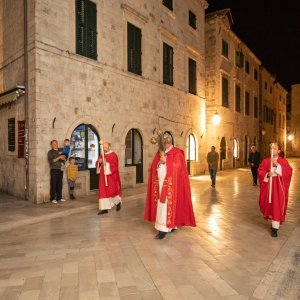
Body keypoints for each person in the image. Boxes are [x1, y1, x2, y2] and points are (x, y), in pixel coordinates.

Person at [144, 139, 196, 239]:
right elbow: (154, 165)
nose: (164, 146)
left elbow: (179, 167)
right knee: (162, 205)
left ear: (170, 143)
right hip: (160, 183)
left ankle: (162, 230)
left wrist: (166, 161)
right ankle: (170, 226)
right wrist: (160, 162)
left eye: (165, 144)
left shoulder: (177, 152)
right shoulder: (159, 152)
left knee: (166, 206)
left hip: (171, 185)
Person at [258, 143, 292, 237]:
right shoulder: (266, 161)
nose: (272, 150)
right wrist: (267, 174)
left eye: (275, 148)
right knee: (269, 204)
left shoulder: (283, 161)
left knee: (276, 205)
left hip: (278, 189)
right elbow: (260, 171)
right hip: (268, 188)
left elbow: (289, 172)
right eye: (271, 148)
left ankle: (275, 228)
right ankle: (272, 222)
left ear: (279, 151)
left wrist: (278, 166)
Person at [96, 142, 122, 215]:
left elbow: (115, 166)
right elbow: (98, 163)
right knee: (103, 192)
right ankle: (104, 209)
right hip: (103, 177)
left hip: (111, 176)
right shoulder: (102, 155)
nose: (104, 149)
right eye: (103, 147)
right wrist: (100, 162)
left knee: (112, 191)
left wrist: (106, 164)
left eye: (106, 147)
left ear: (109, 147)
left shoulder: (113, 155)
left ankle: (118, 203)